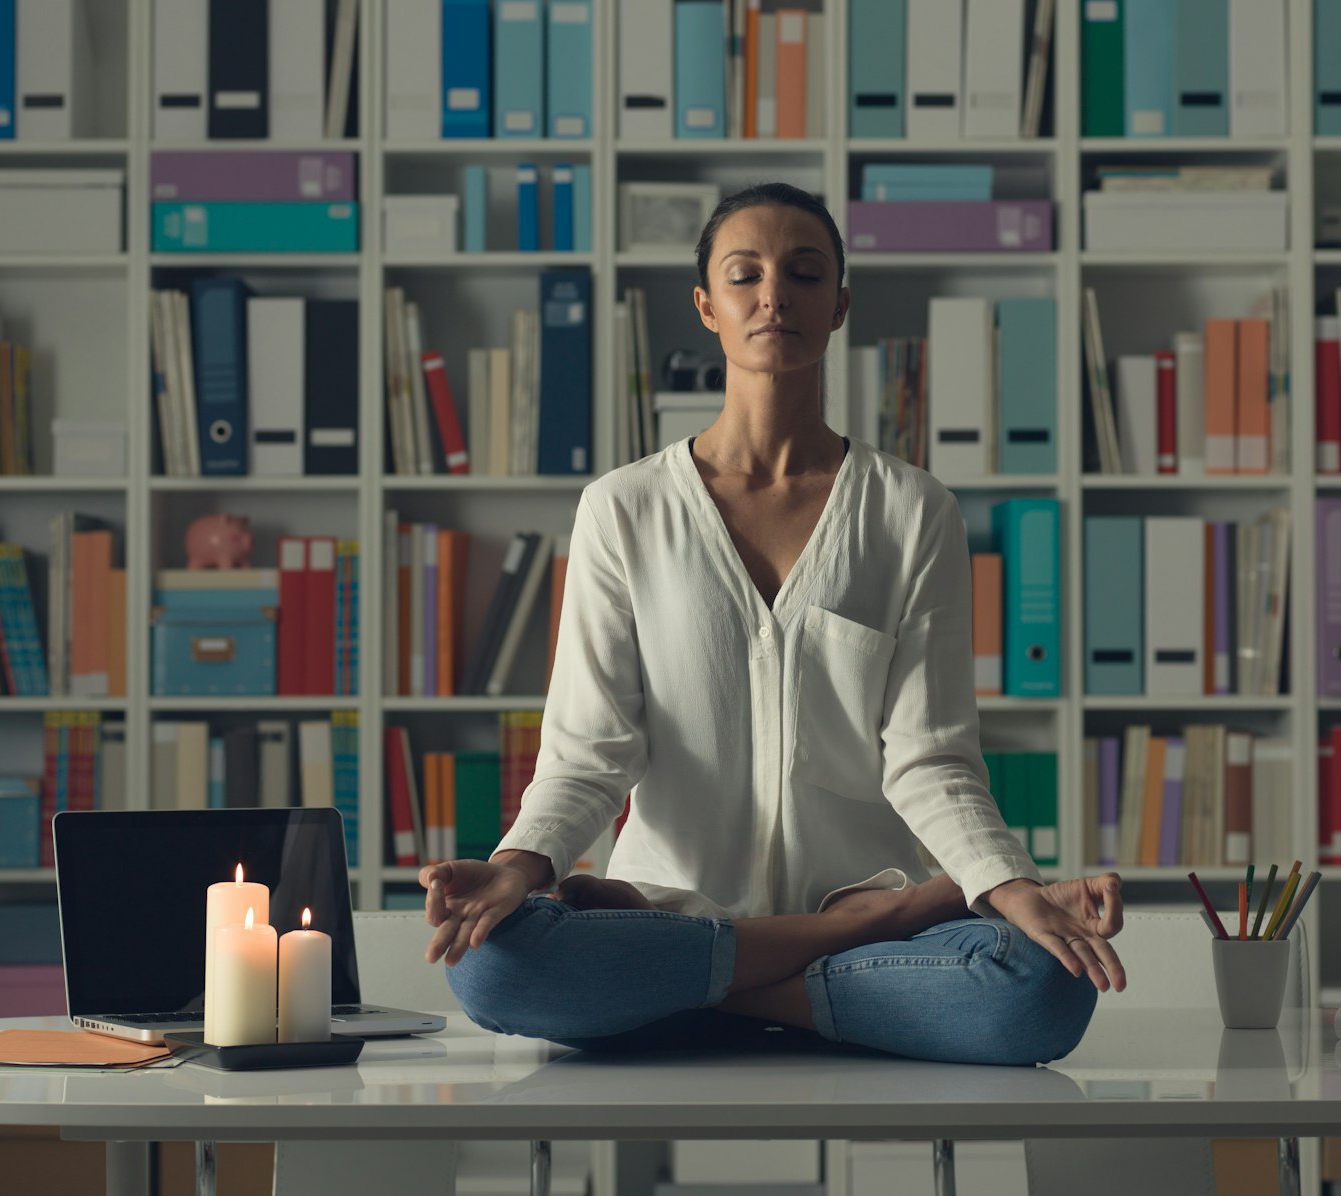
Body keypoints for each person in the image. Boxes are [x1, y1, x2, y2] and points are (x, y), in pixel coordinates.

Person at [417, 182, 1125, 1067]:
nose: (774, 295)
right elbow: (587, 754)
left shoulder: (912, 511)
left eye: (804, 272)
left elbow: (930, 757)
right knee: (490, 971)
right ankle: (856, 942)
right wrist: (519, 868)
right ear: (708, 306)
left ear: (839, 305)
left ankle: (697, 1002)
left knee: (1043, 994)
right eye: (745, 274)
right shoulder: (623, 510)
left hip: (847, 933)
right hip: (677, 912)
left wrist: (1005, 888)